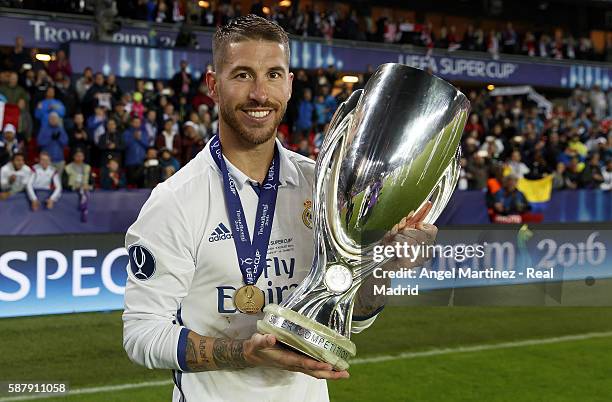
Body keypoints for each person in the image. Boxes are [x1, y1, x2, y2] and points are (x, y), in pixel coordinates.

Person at [122, 15, 437, 402]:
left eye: (273, 74)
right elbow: (142, 334)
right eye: (241, 75)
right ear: (213, 86)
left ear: (288, 85)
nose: (259, 94)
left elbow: (352, 314)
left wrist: (386, 265)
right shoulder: (175, 202)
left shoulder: (323, 187)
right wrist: (244, 354)